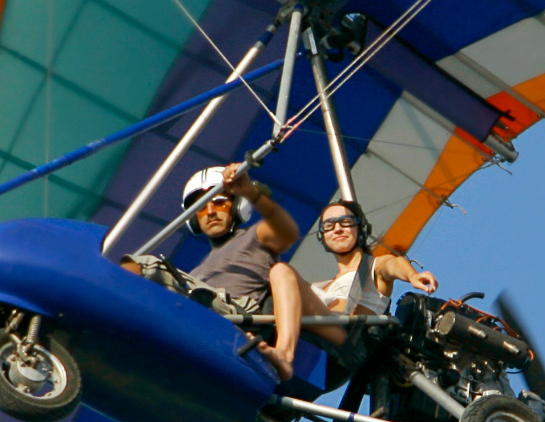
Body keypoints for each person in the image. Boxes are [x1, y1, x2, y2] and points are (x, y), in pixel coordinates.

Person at [123, 163, 336, 382]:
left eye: (219, 202)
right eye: (202, 207)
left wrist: (250, 193)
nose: (211, 211)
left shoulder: (254, 236)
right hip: (197, 313)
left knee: (147, 266)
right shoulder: (197, 271)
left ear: (236, 207)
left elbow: (287, 232)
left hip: (234, 311)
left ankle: (107, 284)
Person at [309, 200, 437, 316]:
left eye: (346, 222)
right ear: (322, 236)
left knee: (290, 276)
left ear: (361, 229)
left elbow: (392, 264)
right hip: (307, 334)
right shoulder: (320, 287)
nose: (337, 229)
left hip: (342, 336)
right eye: (329, 225)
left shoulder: (373, 267)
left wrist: (411, 275)